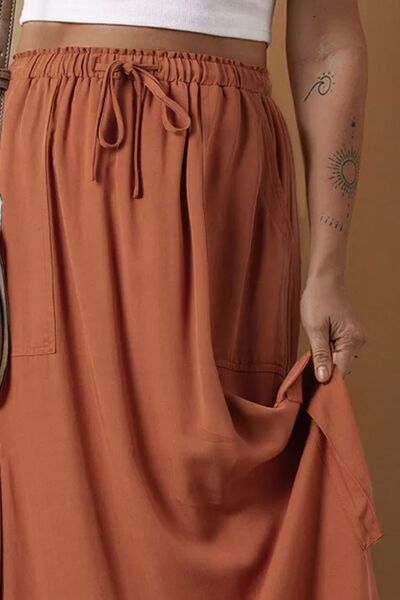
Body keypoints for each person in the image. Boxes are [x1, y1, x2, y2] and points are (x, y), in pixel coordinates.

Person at [0, 1, 374, 598]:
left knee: (201, 488)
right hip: (41, 145)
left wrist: (328, 268)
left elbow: (330, 44)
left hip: (206, 154)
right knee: (51, 493)